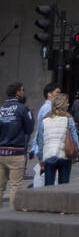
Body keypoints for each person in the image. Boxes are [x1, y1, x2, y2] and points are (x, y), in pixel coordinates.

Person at [0, 81, 34, 209]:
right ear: (18, 92)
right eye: (22, 90)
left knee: (0, 185)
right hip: (16, 152)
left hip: (1, 151)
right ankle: (12, 214)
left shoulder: (1, 109)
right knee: (15, 185)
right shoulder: (23, 108)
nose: (23, 92)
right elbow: (29, 128)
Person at [37, 91, 79, 186]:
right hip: (65, 155)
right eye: (67, 102)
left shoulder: (45, 120)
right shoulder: (69, 119)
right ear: (63, 105)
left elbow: (41, 143)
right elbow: (75, 138)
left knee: (48, 186)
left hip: (49, 155)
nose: (69, 104)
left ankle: (49, 200)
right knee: (63, 187)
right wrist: (77, 152)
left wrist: (41, 158)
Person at [30, 82, 60, 161]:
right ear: (49, 94)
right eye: (57, 92)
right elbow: (45, 129)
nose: (59, 95)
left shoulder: (48, 107)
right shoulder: (48, 108)